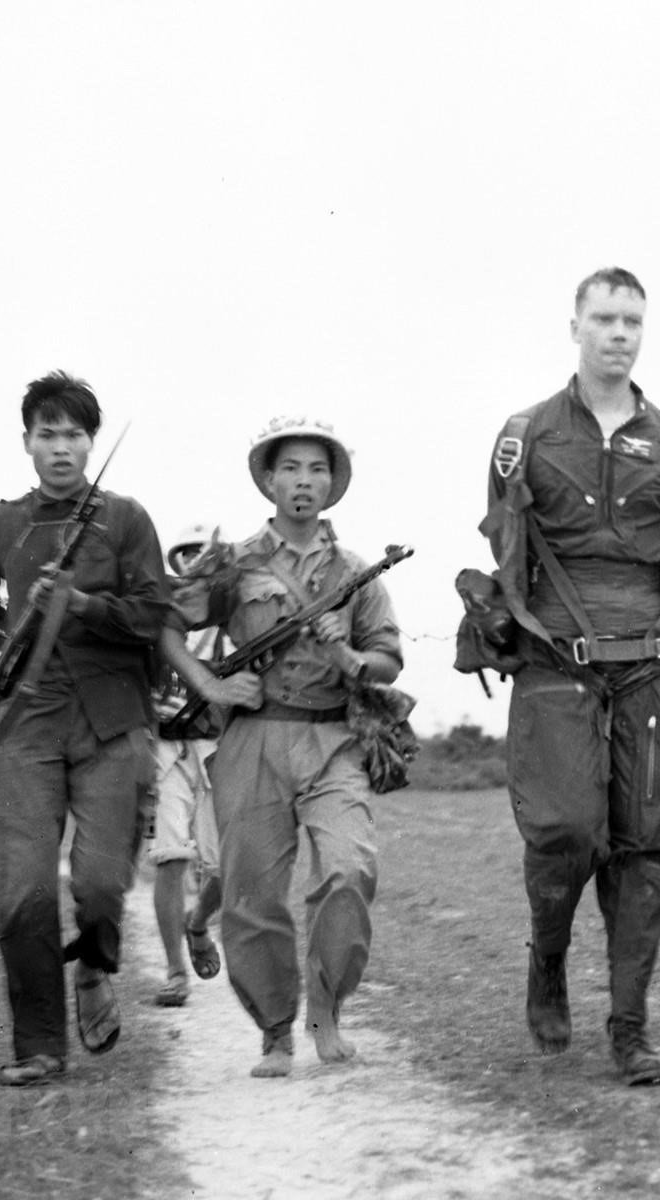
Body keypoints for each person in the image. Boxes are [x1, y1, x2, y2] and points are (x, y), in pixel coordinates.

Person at [479, 268, 660, 1086]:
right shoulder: (525, 434)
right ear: (574, 326)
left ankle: (630, 1030)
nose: (620, 334)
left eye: (633, 321)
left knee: (646, 851)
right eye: (605, 319)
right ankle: (547, 959)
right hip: (557, 667)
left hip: (651, 672)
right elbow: (507, 558)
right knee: (565, 833)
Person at [0, 371, 174, 1086]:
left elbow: (152, 615)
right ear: (27, 442)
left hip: (113, 724)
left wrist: (82, 606)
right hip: (22, 730)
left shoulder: (127, 518)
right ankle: (40, 1046)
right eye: (48, 434)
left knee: (103, 882)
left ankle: (96, 969)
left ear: (91, 441)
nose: (62, 447)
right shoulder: (1, 524)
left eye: (74, 434)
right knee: (24, 894)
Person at [170, 417, 403, 1077]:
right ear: (269, 479)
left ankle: (327, 1008)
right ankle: (275, 1030)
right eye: (292, 468)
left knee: (349, 871)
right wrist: (212, 682)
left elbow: (388, 660)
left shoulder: (358, 571)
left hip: (333, 738)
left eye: (318, 469)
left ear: (333, 484)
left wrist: (349, 652)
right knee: (251, 893)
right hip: (252, 740)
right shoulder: (233, 564)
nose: (305, 482)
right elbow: (160, 622)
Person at [147, 524, 231, 1007]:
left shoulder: (232, 620)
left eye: (205, 554)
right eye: (186, 555)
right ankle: (175, 971)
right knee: (171, 857)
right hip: (164, 747)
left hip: (215, 748)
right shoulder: (158, 616)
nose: (194, 563)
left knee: (222, 867)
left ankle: (198, 925)